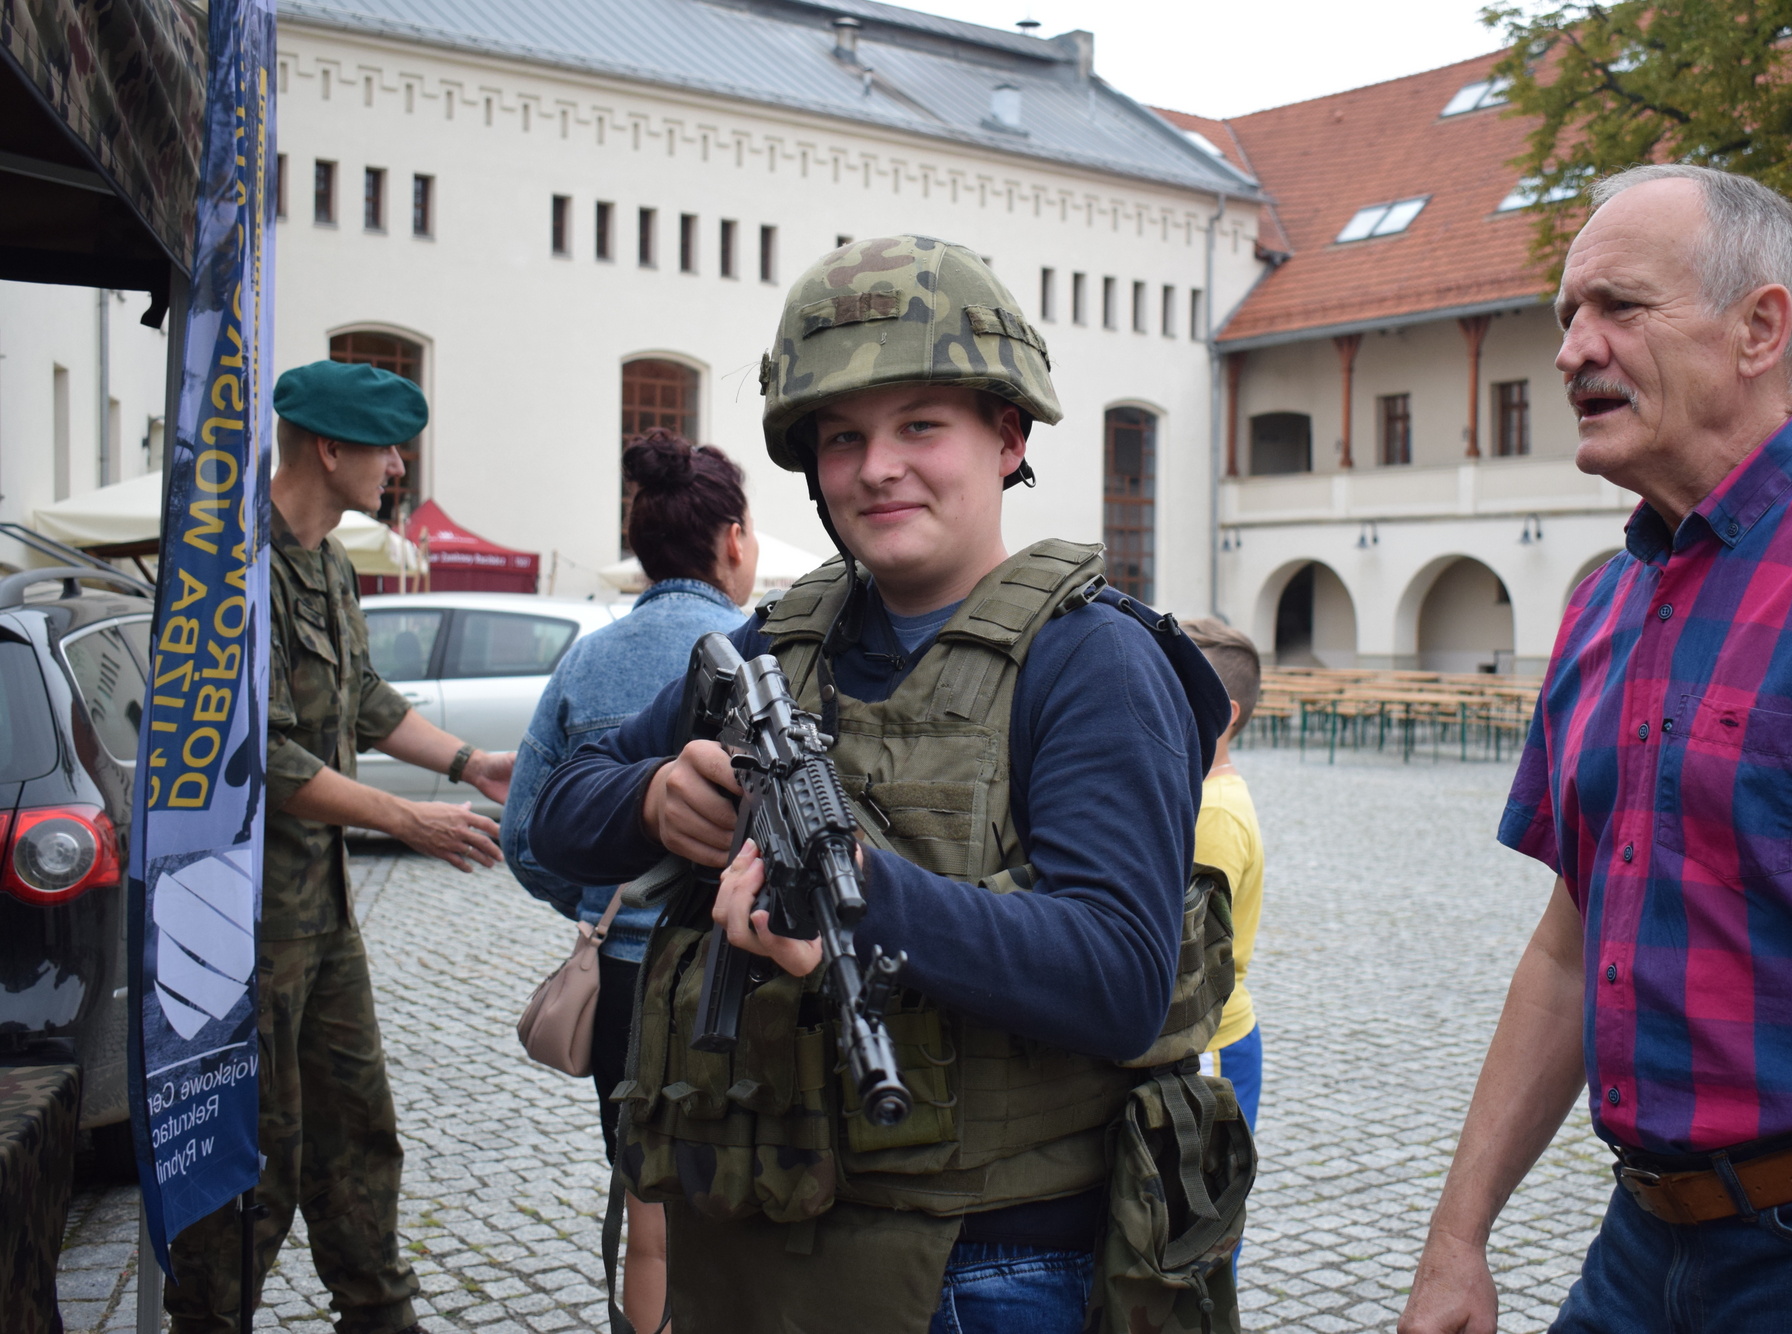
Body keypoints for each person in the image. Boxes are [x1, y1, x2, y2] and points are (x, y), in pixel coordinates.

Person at [528, 236, 1239, 1334]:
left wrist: (858, 891)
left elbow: (1120, 973)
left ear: (1006, 437)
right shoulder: (772, 643)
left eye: (921, 426)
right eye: (843, 438)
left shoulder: (1091, 660)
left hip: (988, 1264)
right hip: (755, 1247)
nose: (876, 468)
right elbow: (554, 810)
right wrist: (656, 796)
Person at [1398, 165, 1792, 1334]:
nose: (1572, 348)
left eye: (1617, 306)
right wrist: (1455, 1236)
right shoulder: (1604, 605)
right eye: (1566, 314)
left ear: (1757, 328)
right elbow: (1569, 949)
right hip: (1642, 1242)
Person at [166, 359, 516, 1334]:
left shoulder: (325, 559)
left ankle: (377, 1311)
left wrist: (467, 761)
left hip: (318, 912)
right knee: (255, 1148)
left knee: (359, 1123)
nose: (399, 465)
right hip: (237, 923)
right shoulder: (225, 569)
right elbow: (252, 751)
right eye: (386, 447)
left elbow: (357, 696)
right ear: (329, 449)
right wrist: (403, 818)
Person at [500, 428, 754, 1331]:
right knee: (746, 1210)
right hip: (738, 979)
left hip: (622, 983)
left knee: (646, 1208)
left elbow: (526, 836)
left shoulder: (589, 659)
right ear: (732, 540)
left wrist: (601, 901)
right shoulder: (761, 651)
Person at [1182, 619, 1266, 1136]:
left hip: (1208, 1046)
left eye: (1177, 690)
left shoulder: (1213, 812)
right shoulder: (1201, 795)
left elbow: (1186, 946)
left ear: (1224, 715)